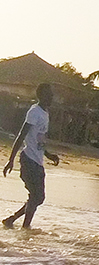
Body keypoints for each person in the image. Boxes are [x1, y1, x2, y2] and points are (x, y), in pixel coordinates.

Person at [3, 83, 60, 229]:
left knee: (37, 198)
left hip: (38, 160)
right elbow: (22, 135)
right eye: (49, 95)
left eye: (52, 95)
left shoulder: (45, 113)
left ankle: (12, 220)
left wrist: (48, 154)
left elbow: (39, 139)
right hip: (29, 159)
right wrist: (11, 160)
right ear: (41, 96)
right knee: (37, 197)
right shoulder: (34, 112)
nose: (52, 97)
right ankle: (25, 228)